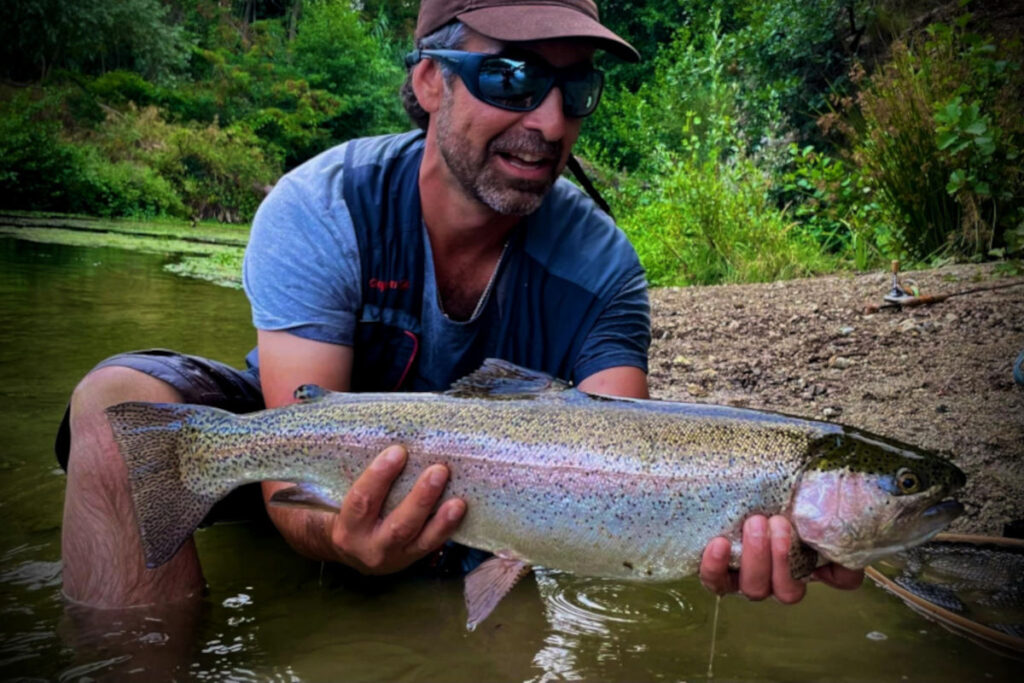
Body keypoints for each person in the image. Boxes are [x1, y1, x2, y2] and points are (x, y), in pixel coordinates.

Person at [57, 0, 861, 611]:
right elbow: (289, 474)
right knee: (113, 405)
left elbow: (628, 460)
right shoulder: (323, 208)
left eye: (575, 86)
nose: (549, 120)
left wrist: (714, 532)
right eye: (512, 77)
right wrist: (343, 539)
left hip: (500, 504)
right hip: (317, 460)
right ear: (429, 79)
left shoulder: (604, 267)